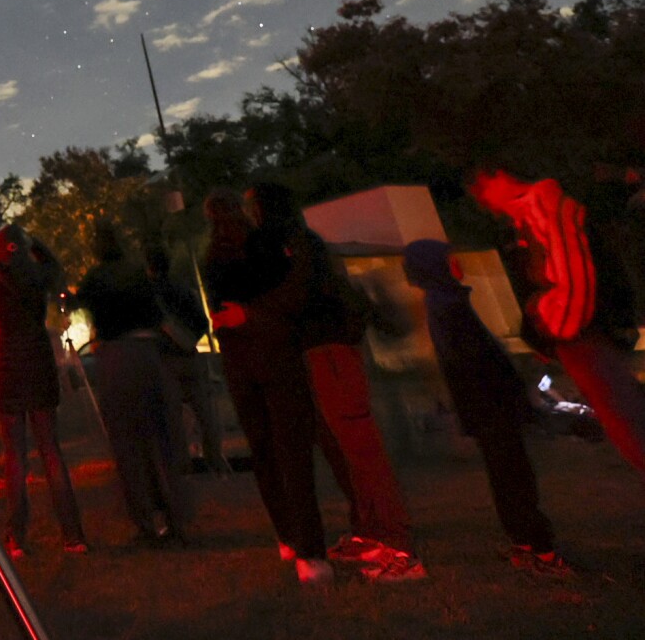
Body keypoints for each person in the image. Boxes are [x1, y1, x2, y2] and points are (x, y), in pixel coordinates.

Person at [244, 182, 424, 584]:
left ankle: (401, 547)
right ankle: (372, 532)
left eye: (254, 207)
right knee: (344, 449)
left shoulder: (299, 245)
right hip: (318, 351)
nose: (252, 216)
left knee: (361, 449)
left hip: (331, 349)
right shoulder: (300, 243)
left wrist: (253, 310)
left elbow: (300, 293)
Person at [401, 240, 573, 579]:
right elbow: (472, 360)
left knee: (505, 474)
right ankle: (542, 550)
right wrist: (507, 396)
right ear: (436, 266)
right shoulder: (447, 304)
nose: (457, 264)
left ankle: (524, 543)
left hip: (485, 407)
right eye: (449, 259)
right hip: (492, 406)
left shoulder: (445, 301)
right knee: (515, 476)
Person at [468, 167, 645, 480]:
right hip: (580, 335)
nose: (483, 201)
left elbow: (573, 278)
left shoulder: (544, 208)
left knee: (627, 423)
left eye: (482, 189)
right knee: (624, 417)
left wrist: (556, 326)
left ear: (499, 177)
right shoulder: (527, 217)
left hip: (584, 336)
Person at [200, 189, 331, 586]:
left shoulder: (212, 259)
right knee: (292, 451)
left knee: (264, 451)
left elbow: (220, 310)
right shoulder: (266, 245)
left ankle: (287, 536)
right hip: (275, 355)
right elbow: (288, 297)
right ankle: (310, 551)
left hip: (239, 361)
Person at [0, 224, 88, 558]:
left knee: (15, 455)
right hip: (37, 364)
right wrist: (35, 242)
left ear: (0, 250)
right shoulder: (39, 274)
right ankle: (73, 535)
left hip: (5, 368)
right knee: (51, 451)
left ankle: (16, 537)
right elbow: (55, 265)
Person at [77, 225, 190, 547]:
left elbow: (75, 303)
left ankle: (145, 522)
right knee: (161, 438)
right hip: (149, 355)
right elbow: (157, 313)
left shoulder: (96, 279)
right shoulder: (138, 273)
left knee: (129, 445)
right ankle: (176, 518)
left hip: (116, 359)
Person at [143, 244, 230, 475]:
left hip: (165, 360)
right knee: (205, 413)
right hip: (190, 356)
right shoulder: (182, 289)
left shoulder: (148, 295)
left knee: (173, 418)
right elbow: (202, 322)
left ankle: (182, 466)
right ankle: (215, 460)